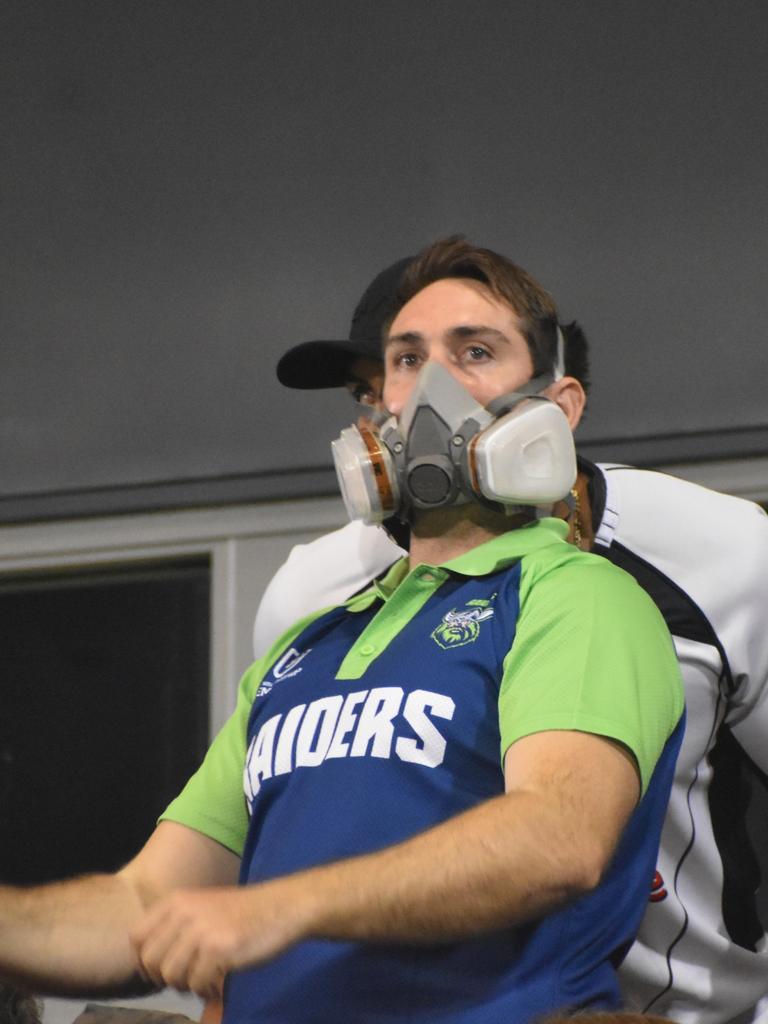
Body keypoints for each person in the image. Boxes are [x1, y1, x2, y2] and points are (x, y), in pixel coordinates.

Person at [0, 239, 684, 1024]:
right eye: (405, 359)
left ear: (557, 407)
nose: (431, 387)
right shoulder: (305, 650)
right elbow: (146, 904)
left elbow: (556, 838)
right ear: (374, 402)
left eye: (475, 351)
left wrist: (278, 907)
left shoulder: (577, 596)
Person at [263, 237, 768, 1024]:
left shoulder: (727, 553)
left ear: (558, 401)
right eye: (386, 379)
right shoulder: (315, 603)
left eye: (470, 355)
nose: (424, 407)